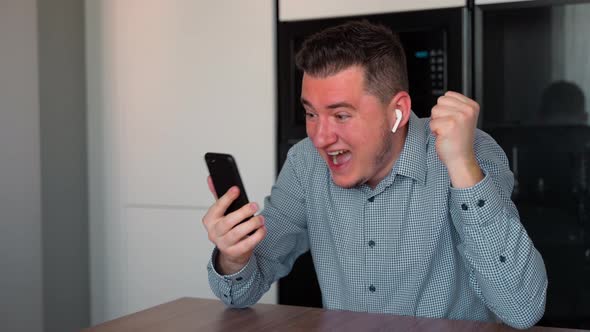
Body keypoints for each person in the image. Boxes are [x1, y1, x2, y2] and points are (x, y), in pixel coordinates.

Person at [202, 20, 547, 329]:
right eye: (311, 114)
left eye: (340, 116)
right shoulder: (306, 161)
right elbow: (241, 292)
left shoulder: (469, 151)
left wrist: (463, 168)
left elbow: (521, 309)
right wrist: (234, 257)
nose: (320, 138)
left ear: (397, 111)